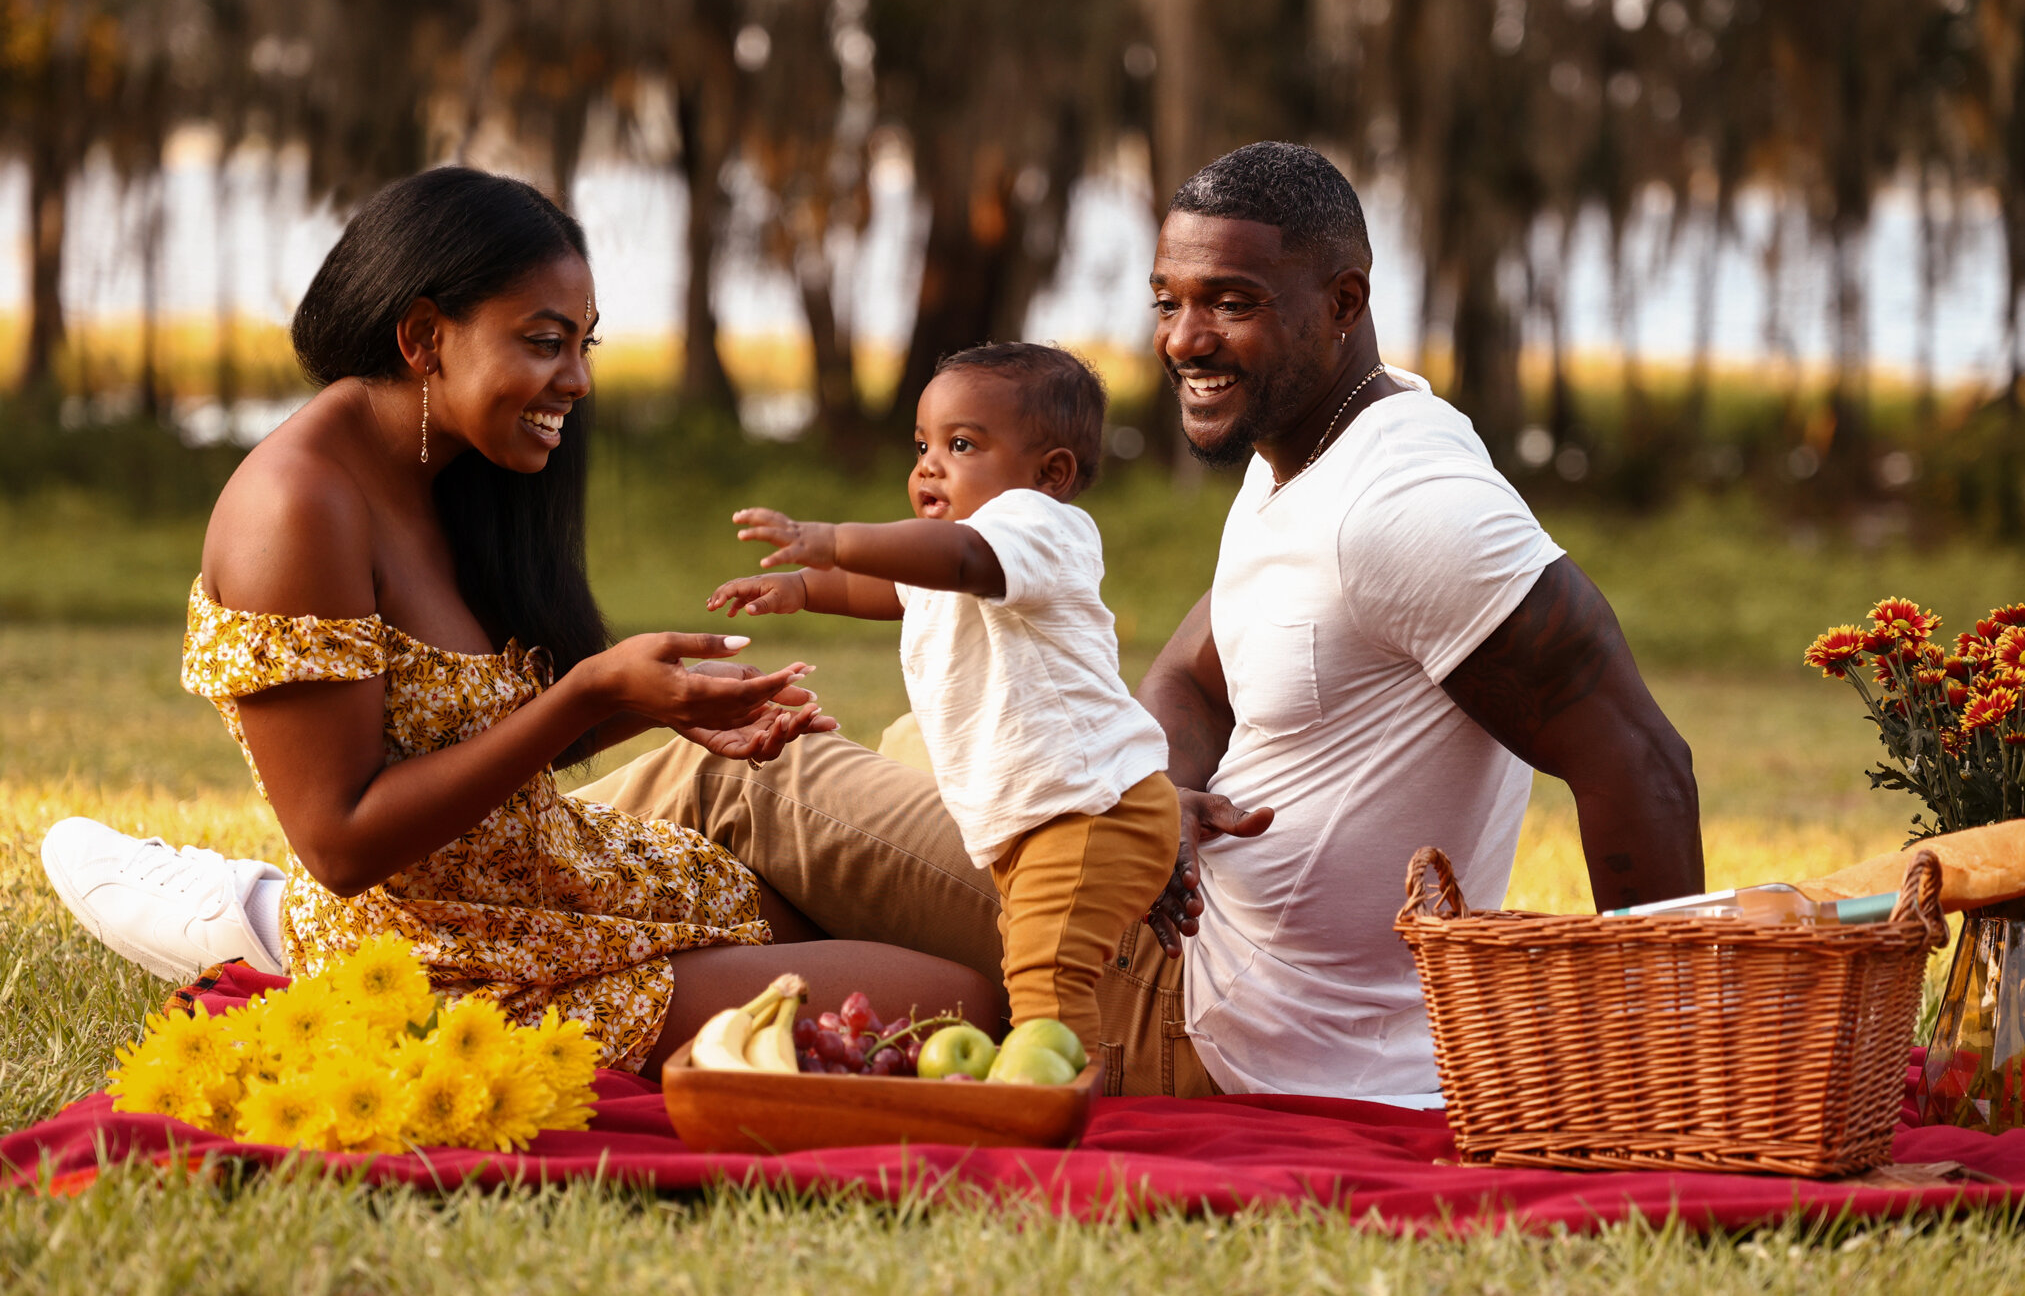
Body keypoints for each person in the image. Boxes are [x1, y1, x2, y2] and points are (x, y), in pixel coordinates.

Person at [51, 143, 1698, 1100]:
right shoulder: (1322, 462)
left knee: (762, 783)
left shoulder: (1405, 498)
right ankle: (348, 923)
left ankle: (313, 928)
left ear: (1344, 305)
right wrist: (1151, 800)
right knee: (821, 765)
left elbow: (1640, 762)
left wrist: (1651, 1090)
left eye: (1238, 303)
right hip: (1167, 915)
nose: (1192, 339)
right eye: (1174, 301)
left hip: (1188, 996)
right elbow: (1193, 670)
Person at [40, 167, 1001, 1075]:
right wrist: (589, 690)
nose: (577, 379)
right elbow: (339, 841)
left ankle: (249, 913)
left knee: (863, 935)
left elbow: (480, 727)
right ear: (424, 339)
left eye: (585, 343)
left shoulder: (451, 473)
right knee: (962, 1003)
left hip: (544, 888)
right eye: (544, 342)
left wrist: (660, 704)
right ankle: (259, 921)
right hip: (451, 965)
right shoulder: (295, 510)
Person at [702, 342, 1177, 1054]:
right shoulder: (951, 556)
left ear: (1051, 474)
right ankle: (1047, 1079)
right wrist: (802, 589)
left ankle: (1057, 1107)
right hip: (1032, 820)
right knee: (1034, 964)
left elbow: (955, 559)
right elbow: (891, 587)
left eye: (960, 445)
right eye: (921, 444)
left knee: (1045, 976)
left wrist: (828, 540)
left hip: (1092, 810)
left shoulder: (1036, 529)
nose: (928, 465)